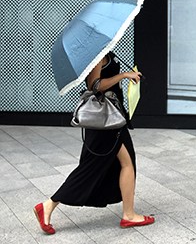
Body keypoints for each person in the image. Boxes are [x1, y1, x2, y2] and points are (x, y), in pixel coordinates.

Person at [33, 51, 154, 235]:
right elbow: (95, 85)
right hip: (105, 122)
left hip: (111, 119)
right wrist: (123, 75)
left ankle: (128, 214)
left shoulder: (106, 52)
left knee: (119, 163)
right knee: (96, 168)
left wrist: (128, 77)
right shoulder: (97, 55)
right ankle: (48, 205)